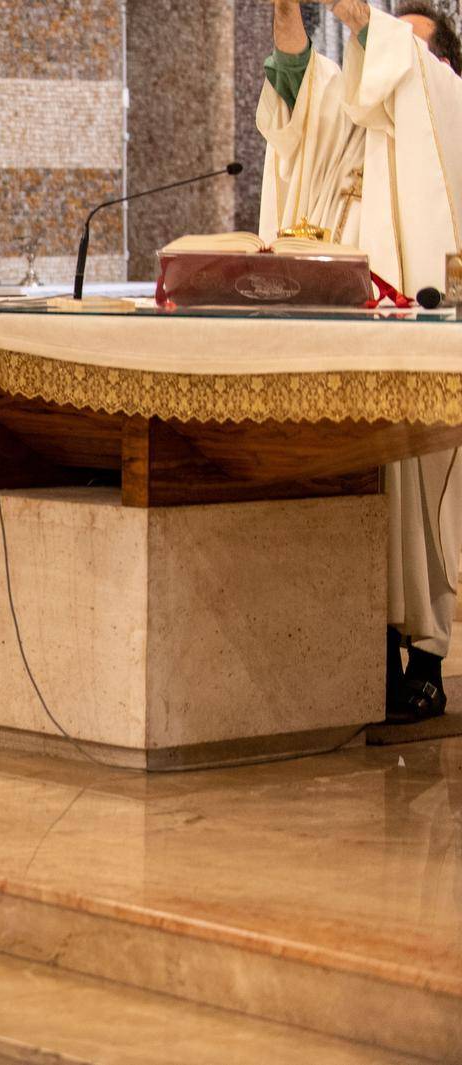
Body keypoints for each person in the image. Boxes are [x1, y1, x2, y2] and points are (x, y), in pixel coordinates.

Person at [260, 0, 462, 722]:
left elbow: (411, 72)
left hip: (403, 322)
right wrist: (290, 17)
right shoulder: (350, 113)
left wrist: (363, 18)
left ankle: (430, 656)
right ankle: (365, 646)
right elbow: (297, 96)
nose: (384, 57)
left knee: (412, 490)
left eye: (406, 53)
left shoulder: (447, 111)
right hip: (330, 321)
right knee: (349, 484)